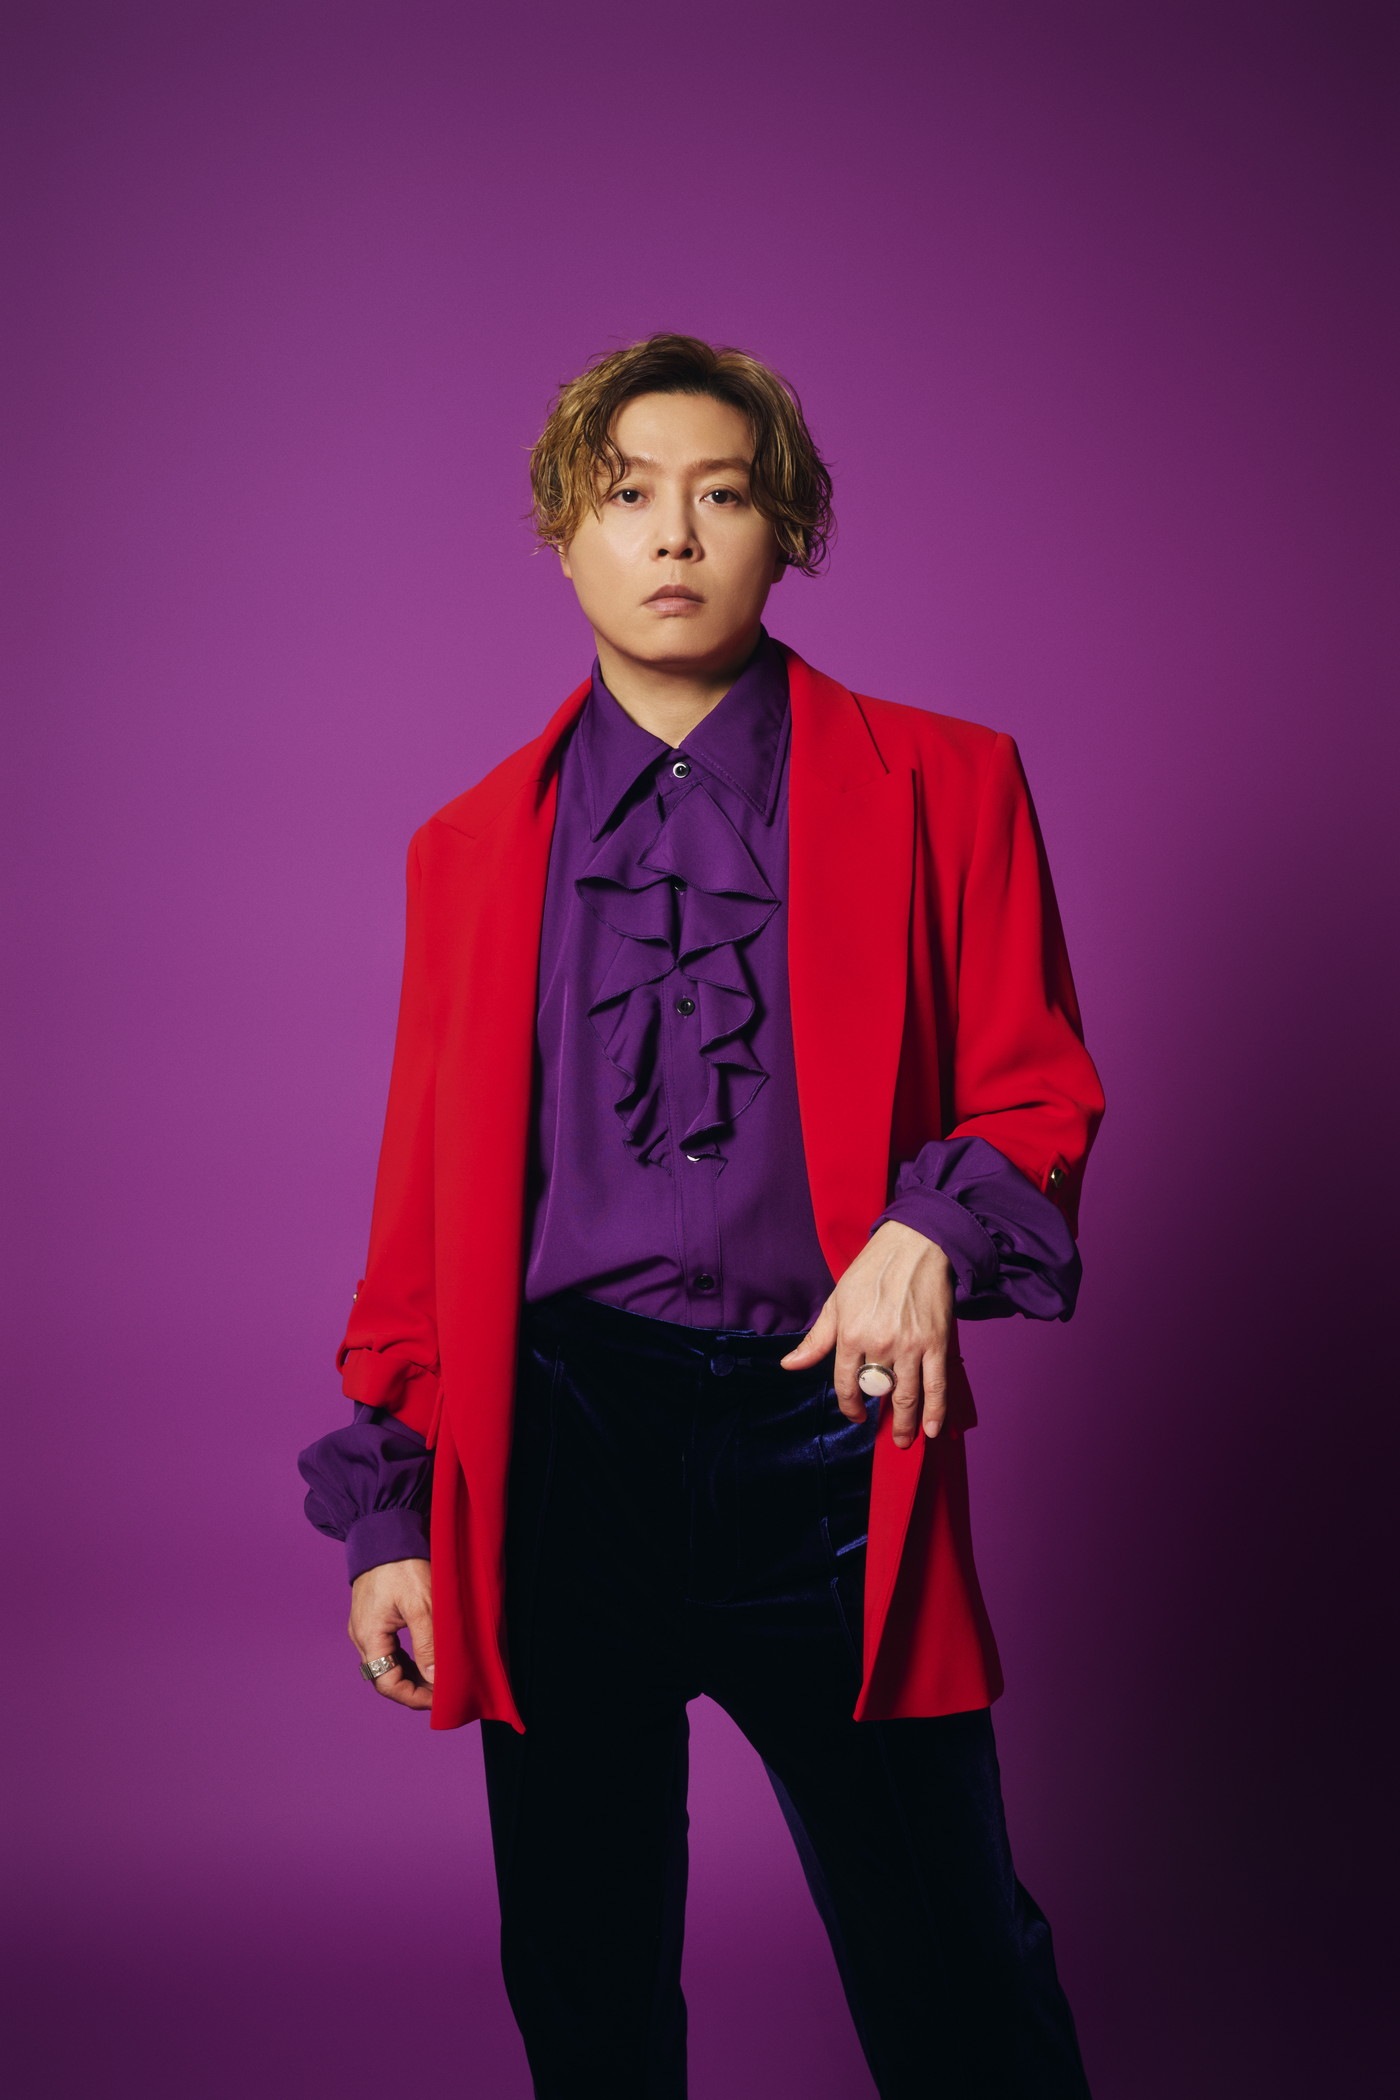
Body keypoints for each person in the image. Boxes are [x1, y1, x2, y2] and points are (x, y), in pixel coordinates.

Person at [299, 332, 1105, 2099]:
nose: (674, 535)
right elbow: (422, 1204)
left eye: (721, 494)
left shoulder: (949, 785)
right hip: (560, 1447)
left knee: (960, 1972)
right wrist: (394, 1505)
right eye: (627, 496)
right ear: (564, 538)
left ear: (783, 529)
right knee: (583, 1988)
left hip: (833, 1433)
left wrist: (929, 1231)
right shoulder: (467, 848)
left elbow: (1034, 1091)